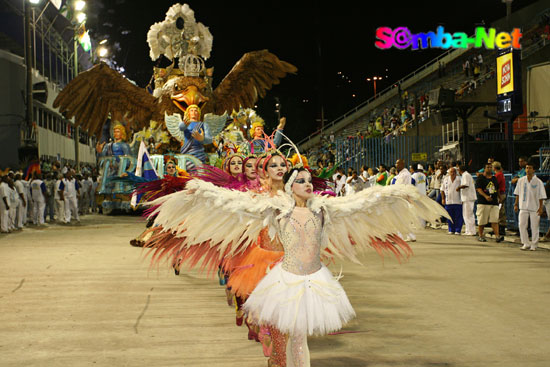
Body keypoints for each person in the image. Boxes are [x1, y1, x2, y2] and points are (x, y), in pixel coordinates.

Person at [144, 162, 446, 367]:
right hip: (280, 281)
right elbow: (232, 204)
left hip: (310, 281)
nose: (306, 184)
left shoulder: (324, 209)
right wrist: (201, 190)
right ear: (289, 187)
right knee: (278, 342)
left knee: (300, 339)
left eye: (307, 180)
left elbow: (360, 205)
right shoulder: (273, 209)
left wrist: (393, 194)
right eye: (298, 181)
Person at [514, 161, 546, 251]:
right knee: (522, 225)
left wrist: (540, 207)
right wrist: (516, 204)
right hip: (523, 206)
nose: (528, 170)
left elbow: (541, 196)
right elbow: (517, 193)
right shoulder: (521, 180)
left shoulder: (538, 182)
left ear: (533, 170)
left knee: (534, 226)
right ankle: (526, 243)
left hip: (534, 207)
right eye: (527, 168)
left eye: (530, 168)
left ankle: (534, 244)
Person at [475, 163, 503, 243]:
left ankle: (497, 236)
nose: (489, 168)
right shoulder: (480, 178)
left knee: (494, 219)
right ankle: (480, 235)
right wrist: (485, 196)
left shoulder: (494, 178)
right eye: (487, 167)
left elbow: (497, 189)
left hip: (494, 202)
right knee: (482, 220)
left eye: (491, 167)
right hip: (483, 202)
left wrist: (499, 197)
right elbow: (479, 189)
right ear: (484, 168)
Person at [441, 167, 463, 234]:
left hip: (458, 201)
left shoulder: (459, 179)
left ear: (456, 173)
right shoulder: (446, 180)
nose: (452, 173)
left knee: (458, 216)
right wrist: (443, 198)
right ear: (449, 173)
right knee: (450, 217)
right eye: (451, 172)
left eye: (454, 172)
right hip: (448, 201)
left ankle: (458, 230)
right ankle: (451, 229)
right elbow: (442, 190)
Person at [458, 165, 477, 236]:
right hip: (467, 197)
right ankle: (468, 230)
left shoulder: (465, 175)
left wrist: (458, 187)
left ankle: (471, 231)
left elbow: (466, 184)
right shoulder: (467, 175)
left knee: (468, 215)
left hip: (468, 197)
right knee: (466, 215)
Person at [492, 161, 507, 235]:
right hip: (502, 193)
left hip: (500, 194)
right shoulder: (501, 174)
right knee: (500, 211)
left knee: (500, 211)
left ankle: (501, 228)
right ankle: (498, 227)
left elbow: (495, 185)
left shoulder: (498, 175)